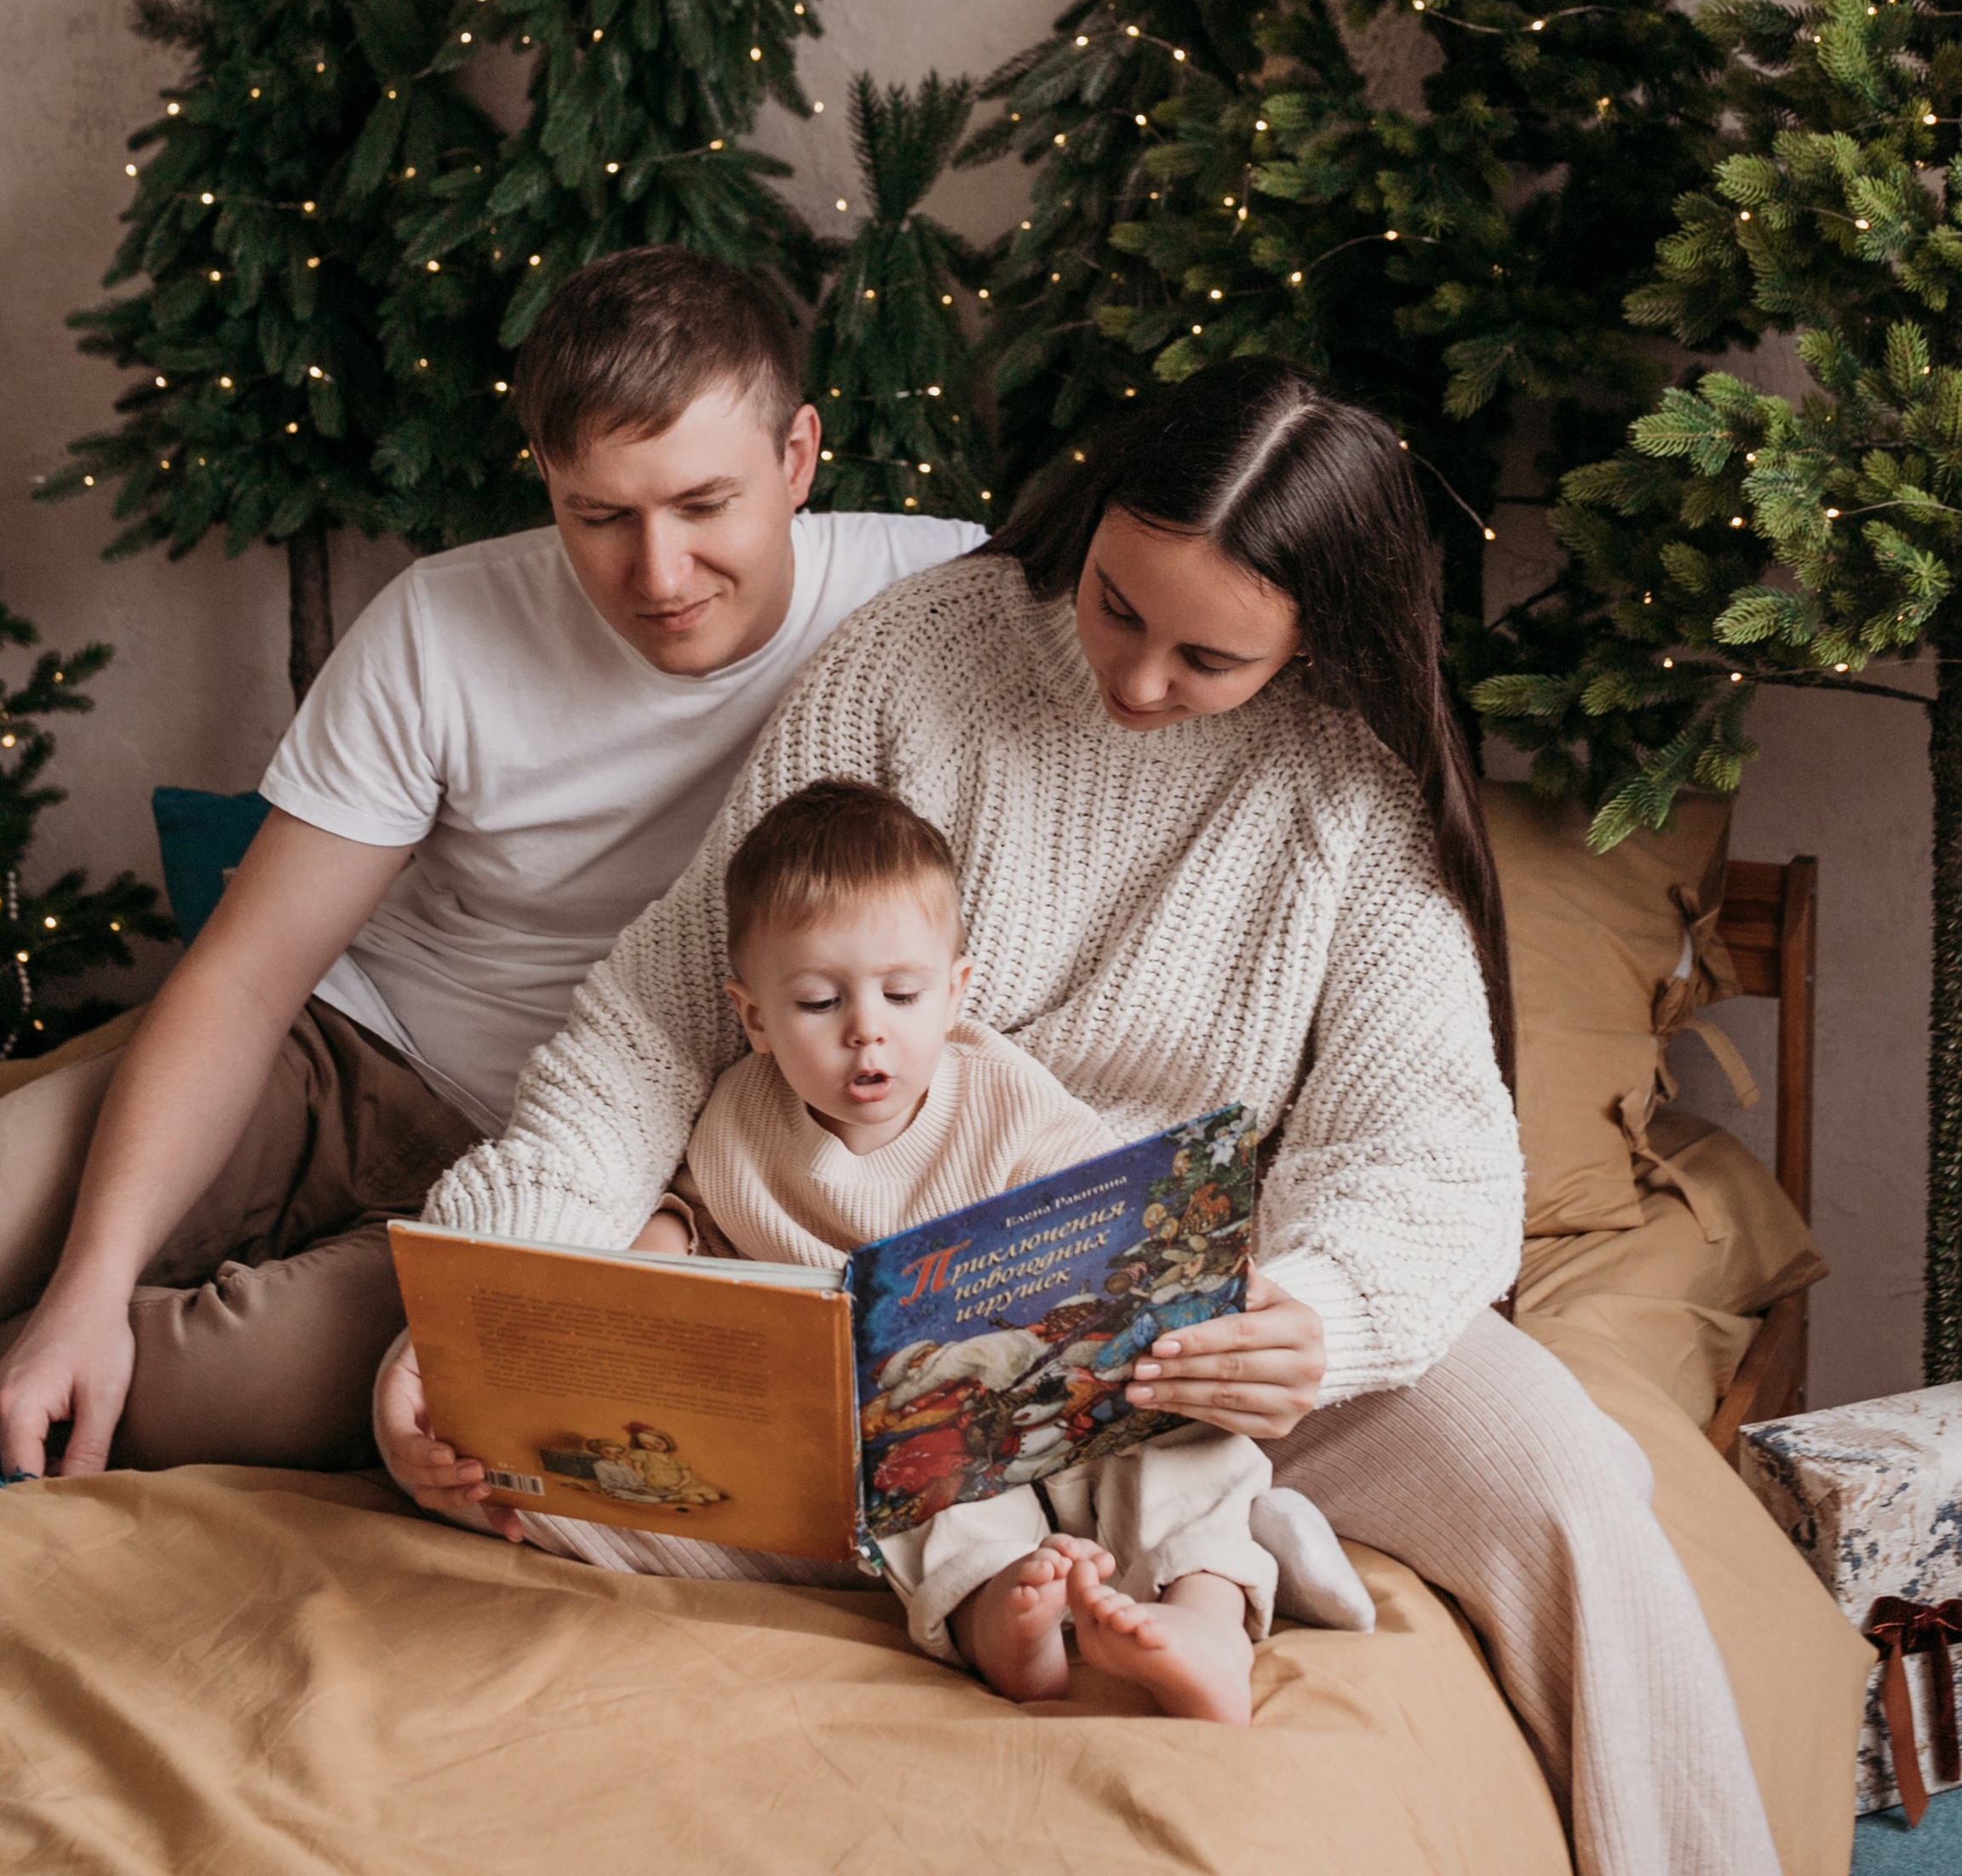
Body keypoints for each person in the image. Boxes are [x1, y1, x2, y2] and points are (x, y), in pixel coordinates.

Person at [379, 360, 1783, 1876]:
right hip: (869, 1300)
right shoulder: (918, 656)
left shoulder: (1352, 778)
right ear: (1094, 517)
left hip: (1202, 1344)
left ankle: (1120, 1565)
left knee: (1573, 1489)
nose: (1136, 681)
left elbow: (1427, 1143)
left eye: (1209, 658)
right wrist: (488, 1311)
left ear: (1316, 637)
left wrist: (1315, 1311)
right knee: (511, 1453)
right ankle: (1068, 1580)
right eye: (1117, 608)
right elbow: (663, 1012)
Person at [0, 249, 981, 1477]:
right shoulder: (443, 624)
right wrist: (88, 1281)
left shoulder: (944, 599)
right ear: (549, 484)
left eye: (704, 505)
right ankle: (7, 1323)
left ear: (797, 459)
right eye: (601, 516)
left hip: (558, 1177)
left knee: (206, 1390)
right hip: (342, 1053)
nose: (658, 574)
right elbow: (248, 979)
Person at [400, 776, 1311, 1718]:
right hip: (917, 1428)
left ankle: (1202, 1614)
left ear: (954, 992)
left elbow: (1107, 1210)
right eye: (817, 1003)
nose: (866, 1030)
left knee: (1184, 1433)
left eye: (903, 993)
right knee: (906, 1482)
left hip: (1061, 1385)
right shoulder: (738, 1124)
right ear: (752, 1017)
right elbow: (700, 1223)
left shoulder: (1003, 1097)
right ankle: (1000, 1610)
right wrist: (657, 1252)